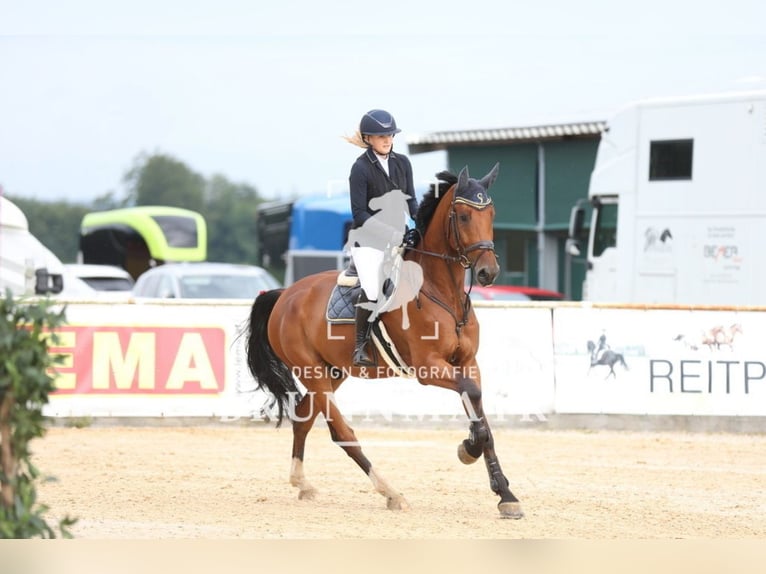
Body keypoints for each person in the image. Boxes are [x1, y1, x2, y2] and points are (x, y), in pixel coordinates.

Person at [345, 109, 419, 367]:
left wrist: (420, 225)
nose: (387, 140)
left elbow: (411, 200)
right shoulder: (360, 168)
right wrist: (391, 234)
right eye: (381, 136)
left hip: (399, 238)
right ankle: (360, 347)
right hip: (368, 242)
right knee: (373, 288)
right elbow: (359, 214)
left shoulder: (403, 163)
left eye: (390, 135)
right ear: (368, 138)